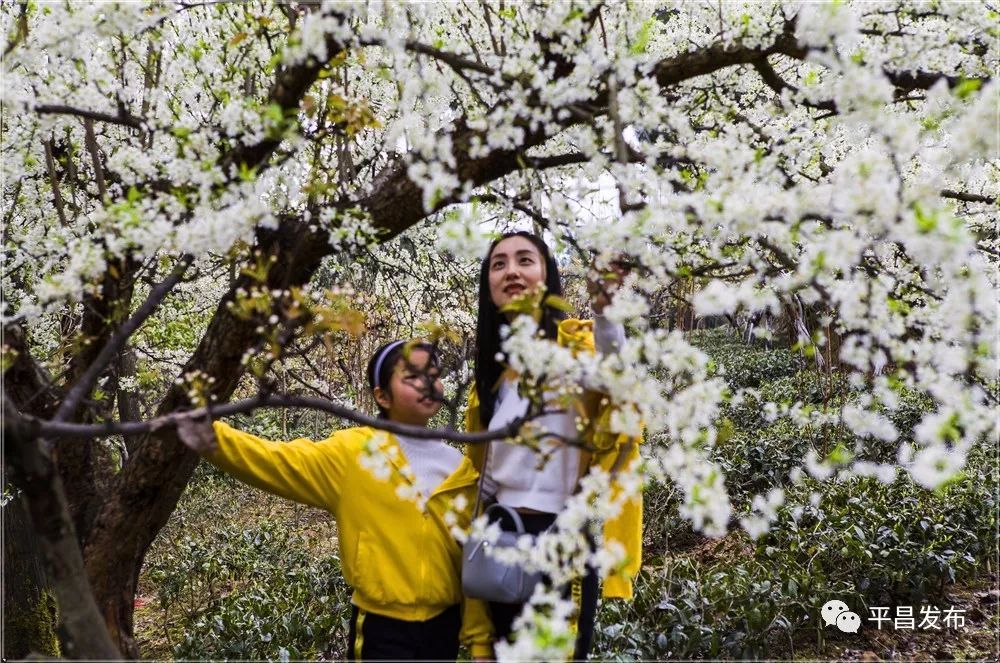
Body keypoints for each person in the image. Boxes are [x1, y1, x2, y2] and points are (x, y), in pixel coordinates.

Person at [180, 339, 494, 661]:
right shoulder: (354, 454)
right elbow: (278, 461)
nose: (428, 383)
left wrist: (480, 642)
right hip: (382, 627)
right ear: (381, 396)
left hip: (444, 627)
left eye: (433, 374)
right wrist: (212, 438)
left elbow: (470, 561)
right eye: (412, 376)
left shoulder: (459, 468)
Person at [465, 231, 643, 660]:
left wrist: (606, 312)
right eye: (498, 263)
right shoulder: (490, 383)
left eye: (525, 260)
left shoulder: (578, 348)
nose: (511, 271)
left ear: (548, 277)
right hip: (501, 538)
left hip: (558, 538)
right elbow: (478, 479)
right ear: (488, 288)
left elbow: (615, 383)